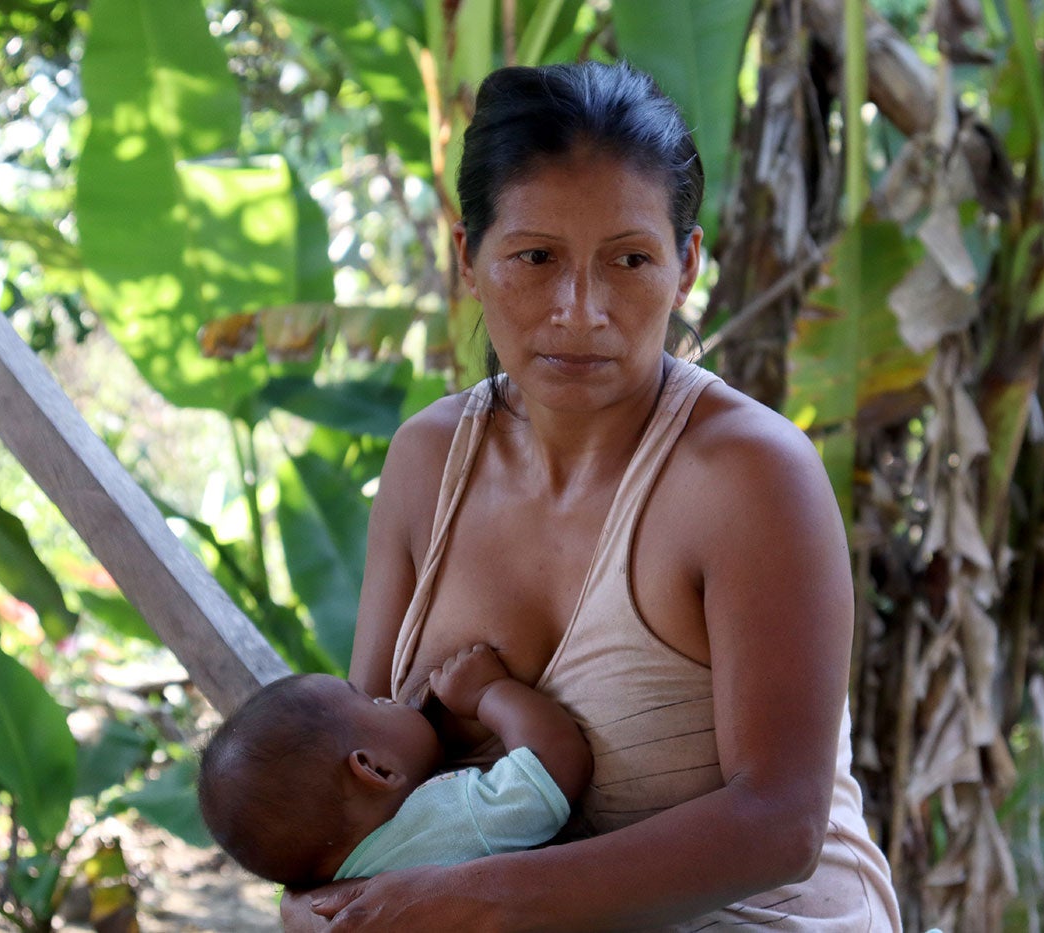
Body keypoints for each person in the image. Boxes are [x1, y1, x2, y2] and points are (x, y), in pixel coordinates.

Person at [283, 59, 903, 931]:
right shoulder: (430, 462)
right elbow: (363, 775)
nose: (580, 309)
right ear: (469, 256)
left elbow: (780, 825)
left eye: (630, 260)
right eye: (535, 257)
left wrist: (479, 900)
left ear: (686, 266)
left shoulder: (749, 475)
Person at [198, 643, 592, 889]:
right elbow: (553, 764)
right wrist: (488, 693)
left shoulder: (350, 882)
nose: (387, 698)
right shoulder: (444, 825)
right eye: (372, 703)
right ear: (377, 771)